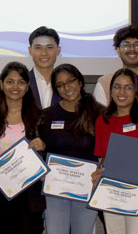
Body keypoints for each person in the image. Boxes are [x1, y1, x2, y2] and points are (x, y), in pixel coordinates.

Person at [92, 68, 138, 234]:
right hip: (112, 192)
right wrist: (97, 174)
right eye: (117, 87)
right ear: (111, 91)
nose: (122, 92)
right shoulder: (102, 121)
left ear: (136, 91)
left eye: (128, 87)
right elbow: (103, 160)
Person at [0, 62, 46, 234]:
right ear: (1, 85)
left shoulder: (40, 117)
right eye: (10, 81)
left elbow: (51, 153)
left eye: (21, 82)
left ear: (27, 87)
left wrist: (44, 146)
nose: (15, 87)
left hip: (29, 196)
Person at [37, 64, 102, 234]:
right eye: (60, 84)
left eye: (70, 81)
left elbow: (106, 150)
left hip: (86, 186)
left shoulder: (99, 113)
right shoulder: (46, 115)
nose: (66, 88)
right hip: (55, 188)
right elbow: (42, 148)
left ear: (80, 81)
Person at [94, 25, 138, 105]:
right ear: (118, 51)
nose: (132, 49)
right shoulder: (104, 83)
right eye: (126, 45)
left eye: (137, 45)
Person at [27, 26, 62, 109]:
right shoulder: (22, 82)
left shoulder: (70, 84)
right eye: (38, 47)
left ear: (58, 50)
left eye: (49, 47)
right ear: (30, 50)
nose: (44, 53)